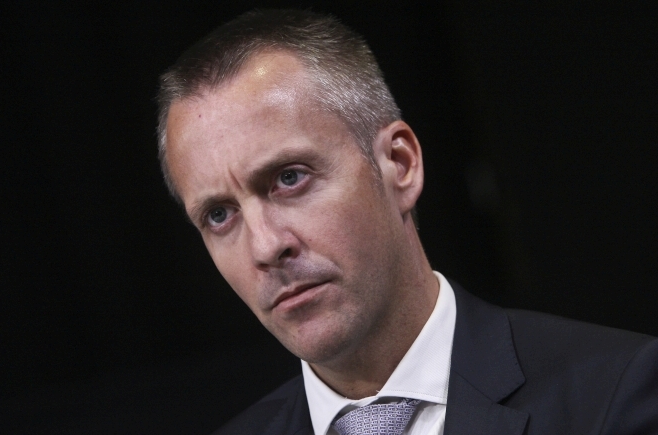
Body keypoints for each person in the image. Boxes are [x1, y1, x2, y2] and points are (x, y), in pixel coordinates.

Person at [156, 9, 658, 435]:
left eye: (290, 178)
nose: (265, 246)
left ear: (399, 165)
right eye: (219, 215)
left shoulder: (615, 395)